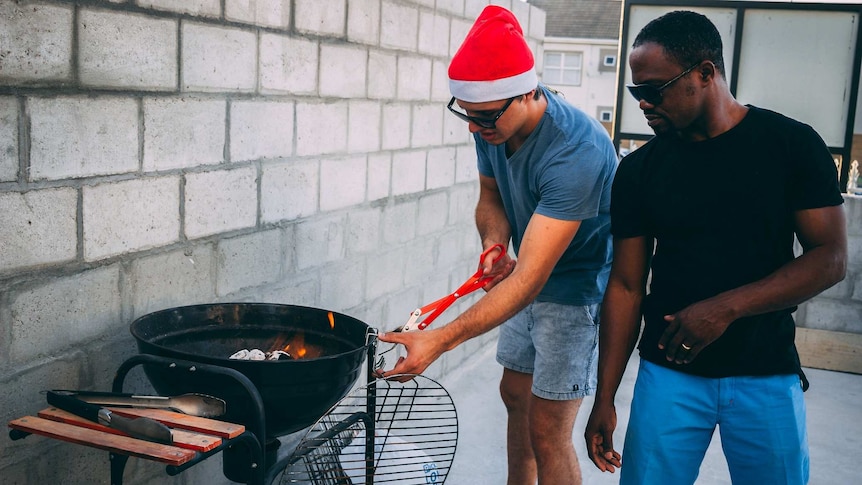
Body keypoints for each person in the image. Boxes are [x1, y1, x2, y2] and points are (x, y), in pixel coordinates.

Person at [584, 10, 847, 485]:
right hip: (669, 377)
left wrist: (723, 309)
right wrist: (605, 397)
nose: (643, 104)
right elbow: (625, 286)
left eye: (654, 89)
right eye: (635, 92)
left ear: (706, 73)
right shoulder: (640, 170)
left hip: (766, 372)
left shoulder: (790, 145)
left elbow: (830, 258)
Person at [377, 5, 618, 484]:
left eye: (483, 117)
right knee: (516, 398)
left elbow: (530, 280)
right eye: (466, 115)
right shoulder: (492, 123)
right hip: (526, 276)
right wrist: (493, 243)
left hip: (572, 292)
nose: (474, 128)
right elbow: (492, 197)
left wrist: (440, 340)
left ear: (528, 92)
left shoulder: (577, 150)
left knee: (549, 429)